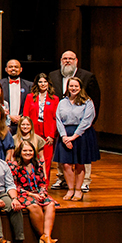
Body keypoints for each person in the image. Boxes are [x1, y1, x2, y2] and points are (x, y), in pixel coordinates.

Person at [48, 51, 100, 193]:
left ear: (76, 60)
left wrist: (88, 124)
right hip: (64, 128)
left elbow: (95, 100)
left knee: (81, 161)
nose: (67, 61)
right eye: (65, 58)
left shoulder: (87, 76)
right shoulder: (53, 76)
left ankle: (84, 183)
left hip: (82, 129)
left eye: (70, 58)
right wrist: (64, 135)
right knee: (64, 161)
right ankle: (63, 179)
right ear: (60, 60)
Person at [54, 75, 98, 201]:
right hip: (65, 135)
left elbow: (87, 121)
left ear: (80, 87)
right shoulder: (62, 102)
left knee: (79, 164)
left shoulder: (87, 102)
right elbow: (58, 119)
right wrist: (64, 137)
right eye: (71, 86)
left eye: (76, 86)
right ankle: (70, 189)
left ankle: (78, 190)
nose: (73, 88)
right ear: (67, 87)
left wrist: (73, 137)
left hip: (81, 135)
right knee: (66, 165)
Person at [12, 139, 58, 243]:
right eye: (25, 151)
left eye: (30, 151)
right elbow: (13, 186)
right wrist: (32, 195)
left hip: (37, 193)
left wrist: (42, 193)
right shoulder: (14, 166)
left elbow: (42, 183)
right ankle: (42, 236)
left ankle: (47, 236)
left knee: (50, 204)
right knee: (34, 206)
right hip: (23, 194)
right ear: (20, 152)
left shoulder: (37, 164)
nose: (28, 153)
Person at [23, 75, 58, 179]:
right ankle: (32, 184)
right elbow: (26, 115)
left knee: (45, 160)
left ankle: (44, 186)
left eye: (45, 81)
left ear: (48, 83)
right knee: (32, 158)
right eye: (40, 82)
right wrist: (27, 132)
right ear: (37, 84)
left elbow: (55, 119)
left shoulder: (54, 99)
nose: (43, 84)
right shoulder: (30, 97)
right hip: (33, 130)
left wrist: (52, 135)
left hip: (47, 132)